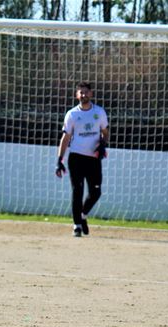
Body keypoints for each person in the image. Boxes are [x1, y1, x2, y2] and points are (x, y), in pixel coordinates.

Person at [55, 82, 109, 237]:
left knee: (96, 192)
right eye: (81, 93)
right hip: (76, 158)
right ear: (76, 95)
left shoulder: (99, 112)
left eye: (86, 92)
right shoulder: (71, 114)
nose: (83, 95)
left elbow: (105, 132)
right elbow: (65, 137)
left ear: (91, 94)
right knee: (77, 191)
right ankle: (76, 225)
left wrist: (103, 145)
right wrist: (60, 159)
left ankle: (83, 215)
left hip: (93, 159)